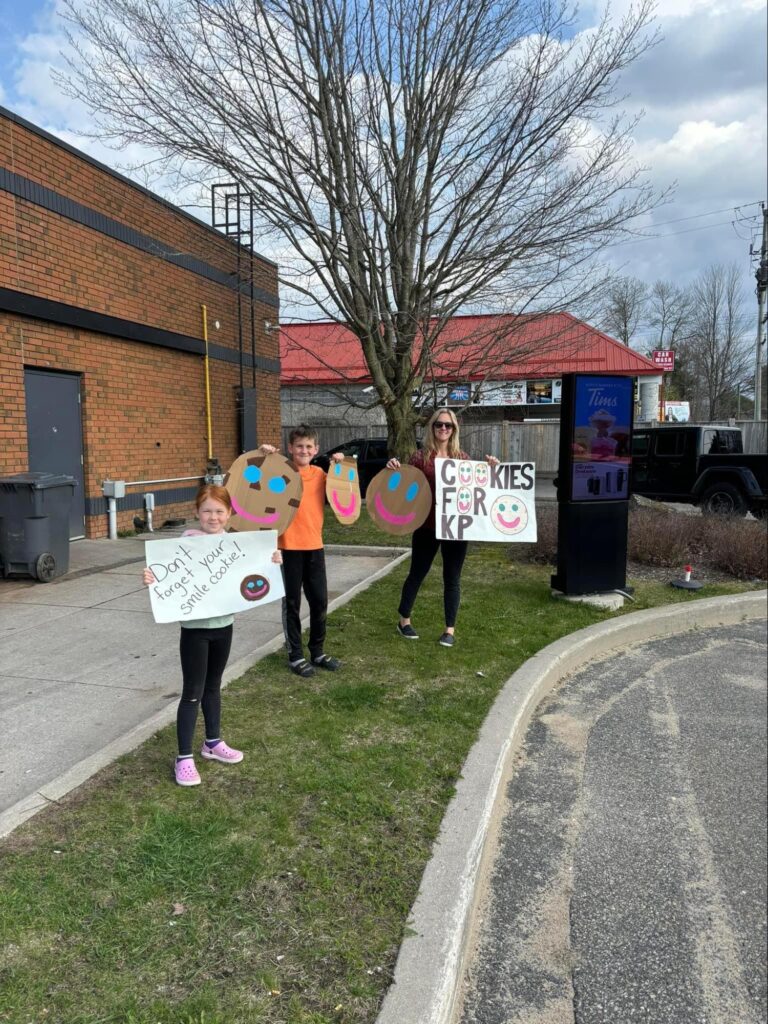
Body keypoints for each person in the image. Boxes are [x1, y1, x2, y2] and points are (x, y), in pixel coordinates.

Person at [142, 483, 282, 787]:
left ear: (229, 514)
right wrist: (152, 576)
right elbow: (167, 571)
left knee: (214, 687)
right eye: (207, 511)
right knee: (193, 690)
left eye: (219, 511)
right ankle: (183, 758)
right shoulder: (187, 542)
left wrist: (271, 562)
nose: (213, 517)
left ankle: (212, 743)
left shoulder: (235, 544)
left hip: (224, 626)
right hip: (195, 632)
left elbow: (253, 570)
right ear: (196, 513)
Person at [387, 408, 499, 647]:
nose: (443, 429)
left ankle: (449, 629)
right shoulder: (420, 458)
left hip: (456, 528)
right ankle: (404, 621)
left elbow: (479, 490)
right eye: (439, 425)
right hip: (426, 526)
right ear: (432, 427)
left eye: (448, 425)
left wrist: (490, 470)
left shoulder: (463, 458)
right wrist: (394, 470)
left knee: (452, 577)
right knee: (417, 573)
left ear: (454, 429)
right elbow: (405, 487)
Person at [258, 426, 344, 678]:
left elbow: (342, 492)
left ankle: (317, 651)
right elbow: (256, 483)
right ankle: (295, 655)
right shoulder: (280, 472)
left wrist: (339, 465)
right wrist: (264, 455)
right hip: (287, 549)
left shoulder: (320, 474)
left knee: (319, 602)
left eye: (309, 447)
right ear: (290, 448)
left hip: (314, 547)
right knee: (292, 603)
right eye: (299, 446)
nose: (304, 450)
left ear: (316, 450)